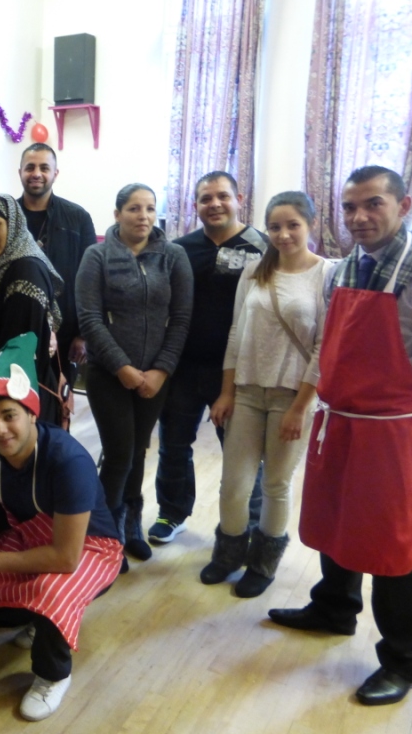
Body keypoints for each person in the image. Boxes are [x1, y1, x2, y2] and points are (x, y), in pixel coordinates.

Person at [269, 166, 412, 706]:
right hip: (338, 421)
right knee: (335, 519)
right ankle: (335, 608)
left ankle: (404, 659)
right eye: (350, 207)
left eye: (373, 205)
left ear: (403, 205)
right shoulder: (341, 272)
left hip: (392, 433)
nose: (359, 217)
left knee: (395, 545)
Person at [0, 333, 122, 722]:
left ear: (33, 413)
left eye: (9, 416)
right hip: (30, 535)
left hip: (90, 548)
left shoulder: (68, 461)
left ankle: (53, 674)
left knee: (49, 589)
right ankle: (36, 619)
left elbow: (67, 558)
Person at [202, 192, 330, 597]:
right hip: (247, 393)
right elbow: (237, 333)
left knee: (276, 484)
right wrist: (226, 392)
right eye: (275, 226)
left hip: (291, 397)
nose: (283, 234)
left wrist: (300, 406)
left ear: (310, 224)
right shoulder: (255, 270)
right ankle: (229, 553)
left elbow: (324, 346)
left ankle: (263, 562)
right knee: (234, 484)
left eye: (293, 225)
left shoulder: (326, 274)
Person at [75, 183, 192, 570]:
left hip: (156, 377)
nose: (143, 216)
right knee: (119, 453)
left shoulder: (173, 257)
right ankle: (105, 535)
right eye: (134, 209)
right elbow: (89, 318)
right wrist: (123, 368)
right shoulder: (97, 255)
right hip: (109, 374)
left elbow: (181, 319)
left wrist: (160, 370)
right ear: (117, 214)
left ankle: (132, 526)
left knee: (138, 451)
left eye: (150, 209)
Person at [150, 171, 268, 545]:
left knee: (242, 455)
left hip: (237, 372)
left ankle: (248, 524)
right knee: (173, 445)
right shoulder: (179, 249)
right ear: (195, 205)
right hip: (183, 367)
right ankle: (172, 513)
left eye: (222, 196)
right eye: (205, 198)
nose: (214, 204)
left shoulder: (262, 249)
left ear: (239, 198)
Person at [0, 193, 65, 430]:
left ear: (14, 225)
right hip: (5, 403)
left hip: (14, 408)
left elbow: (16, 357)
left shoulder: (25, 270)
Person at [17, 142, 97, 390]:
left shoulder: (78, 218)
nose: (37, 173)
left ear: (55, 173)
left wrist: (83, 334)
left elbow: (91, 282)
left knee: (58, 404)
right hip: (17, 329)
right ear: (20, 172)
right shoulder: (7, 217)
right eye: (30, 167)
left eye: (44, 167)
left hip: (66, 333)